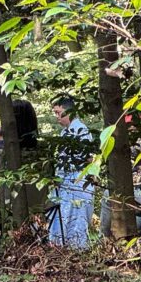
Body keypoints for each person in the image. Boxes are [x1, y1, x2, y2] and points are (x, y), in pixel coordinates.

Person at [49, 95, 95, 249]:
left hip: (77, 185)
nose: (57, 117)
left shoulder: (81, 131)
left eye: (58, 112)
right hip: (64, 186)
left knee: (76, 223)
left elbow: (89, 160)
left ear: (68, 111)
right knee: (62, 222)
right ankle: (60, 252)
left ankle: (77, 253)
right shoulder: (65, 133)